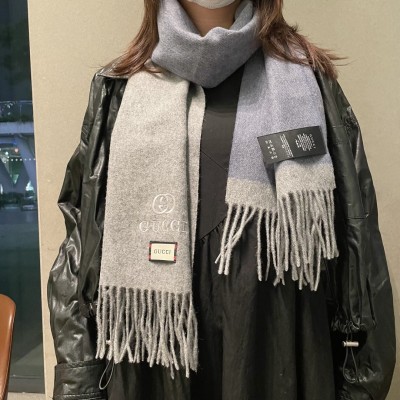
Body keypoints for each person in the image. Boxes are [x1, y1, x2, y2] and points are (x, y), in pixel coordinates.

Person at [47, 0, 396, 399]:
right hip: (151, 358)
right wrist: (79, 381)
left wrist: (361, 383)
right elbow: (80, 246)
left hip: (276, 351)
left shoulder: (308, 81)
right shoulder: (119, 89)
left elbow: (358, 239)